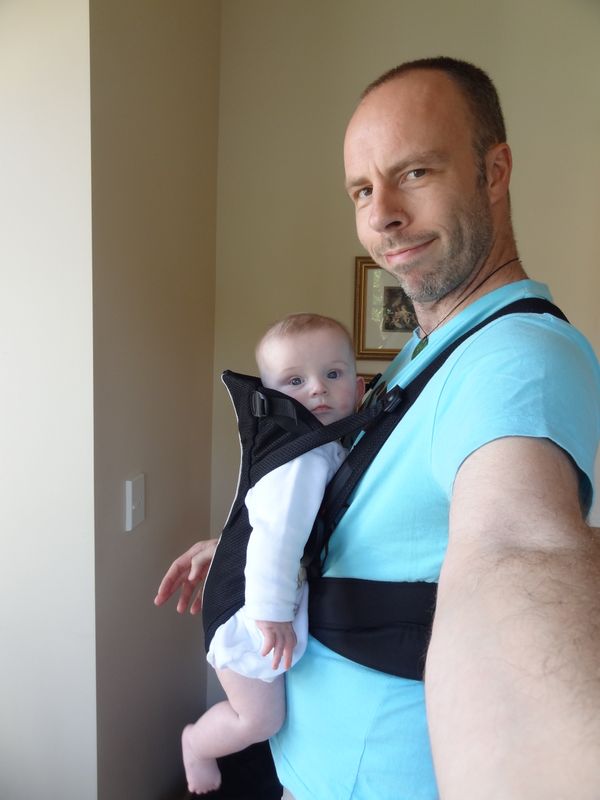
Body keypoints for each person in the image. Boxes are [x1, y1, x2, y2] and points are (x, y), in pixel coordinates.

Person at [156, 57, 600, 799]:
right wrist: (240, 544)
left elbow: (518, 546)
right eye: (362, 189)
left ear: (494, 171)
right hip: (313, 768)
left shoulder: (515, 359)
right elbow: (366, 510)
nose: (382, 214)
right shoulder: (426, 352)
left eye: (415, 173)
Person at [163, 313, 364, 794]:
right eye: (295, 381)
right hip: (246, 610)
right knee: (258, 719)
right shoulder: (303, 458)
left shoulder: (322, 444)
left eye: (332, 374)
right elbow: (276, 537)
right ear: (271, 397)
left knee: (271, 712)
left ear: (358, 388)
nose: (317, 389)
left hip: (257, 596)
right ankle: (196, 745)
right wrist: (271, 613)